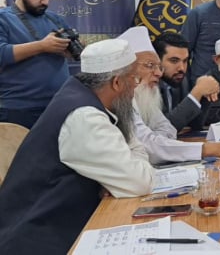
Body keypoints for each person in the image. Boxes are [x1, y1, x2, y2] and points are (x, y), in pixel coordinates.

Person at [0, 39, 154, 253]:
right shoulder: (85, 117)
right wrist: (124, 170)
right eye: (134, 80)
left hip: (66, 225)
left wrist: (122, 170)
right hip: (39, 240)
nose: (135, 89)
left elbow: (133, 152)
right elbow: (140, 182)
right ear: (117, 83)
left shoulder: (82, 96)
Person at [117, 27, 220, 164]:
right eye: (150, 65)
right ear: (127, 70)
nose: (158, 73)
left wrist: (159, 142)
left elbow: (167, 129)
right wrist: (214, 148)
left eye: (185, 61)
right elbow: (150, 146)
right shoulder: (123, 98)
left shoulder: (170, 85)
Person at [0, 0, 75, 128]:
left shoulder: (55, 19)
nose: (45, 1)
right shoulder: (3, 19)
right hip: (19, 109)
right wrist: (42, 46)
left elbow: (72, 52)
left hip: (58, 104)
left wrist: (69, 51)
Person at [153, 32, 219, 132]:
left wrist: (205, 95)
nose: (182, 68)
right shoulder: (148, 85)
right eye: (174, 61)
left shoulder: (180, 80)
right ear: (157, 60)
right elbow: (166, 127)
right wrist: (197, 92)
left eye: (185, 61)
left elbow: (194, 124)